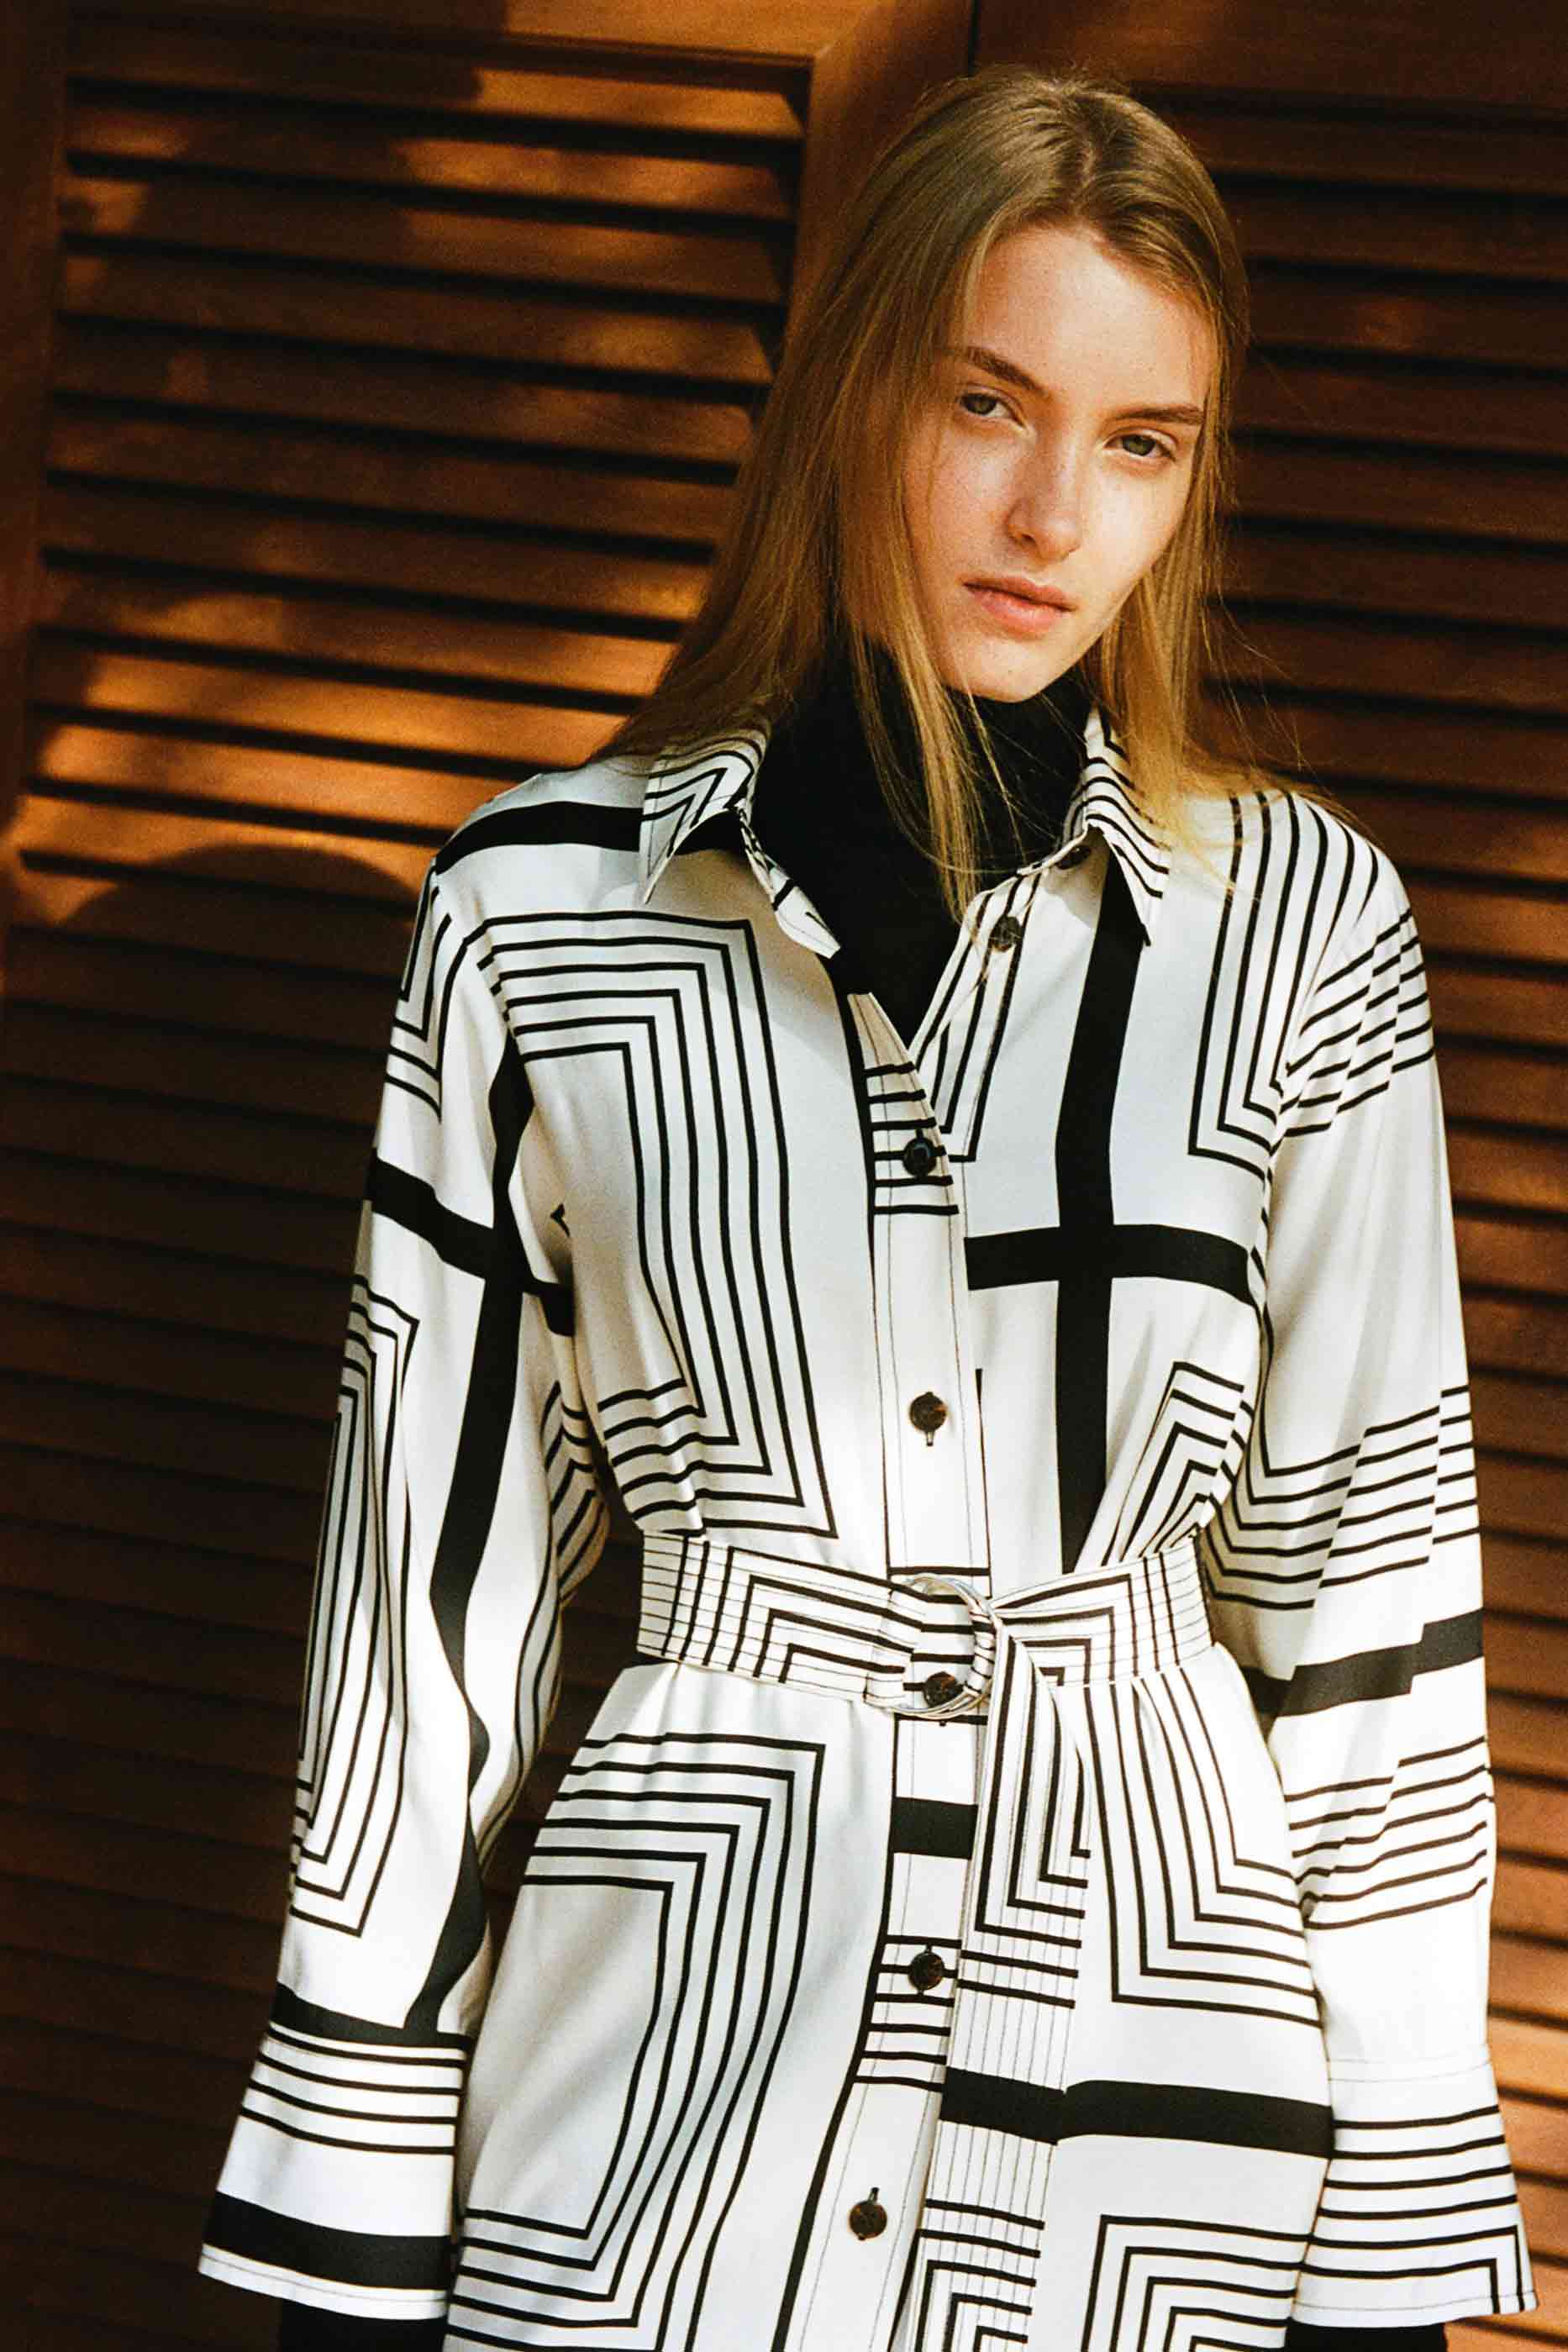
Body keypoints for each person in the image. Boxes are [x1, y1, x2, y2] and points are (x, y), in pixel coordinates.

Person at [197, 67, 1535, 2351]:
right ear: (851, 396)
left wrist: (1394, 2235)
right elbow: (428, 1611)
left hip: (1149, 2119)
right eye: (985, 404)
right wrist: (348, 2194)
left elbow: (1371, 1612)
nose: (1052, 514)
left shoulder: (1301, 928)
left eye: (1141, 443)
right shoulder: (539, 915)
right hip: (655, 2101)